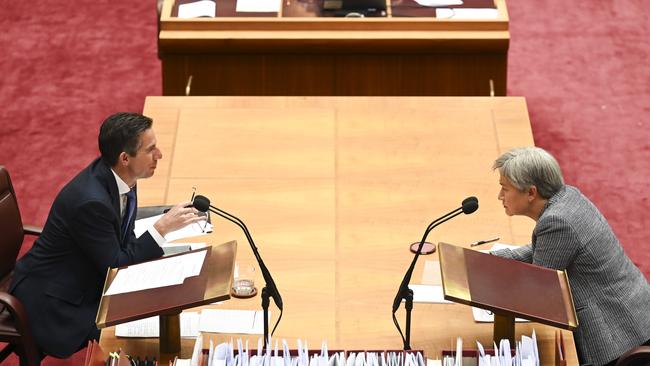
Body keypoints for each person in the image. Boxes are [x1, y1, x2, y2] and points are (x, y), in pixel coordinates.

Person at [10, 112, 204, 358]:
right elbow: (117, 267)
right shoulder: (92, 202)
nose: (160, 155)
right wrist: (161, 229)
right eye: (151, 149)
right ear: (125, 158)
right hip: (55, 300)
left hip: (88, 273)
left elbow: (124, 238)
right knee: (128, 342)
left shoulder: (124, 178)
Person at [491, 146, 650, 366]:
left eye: (504, 189)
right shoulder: (568, 197)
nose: (500, 196)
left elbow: (538, 290)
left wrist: (489, 287)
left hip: (617, 332)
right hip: (635, 310)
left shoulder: (557, 222)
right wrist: (498, 258)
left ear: (531, 193)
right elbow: (547, 249)